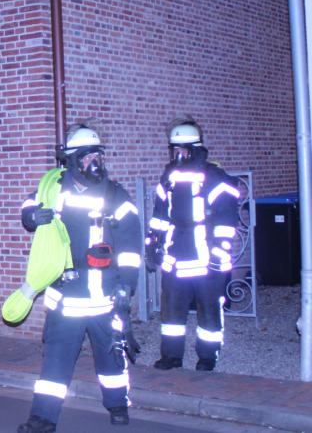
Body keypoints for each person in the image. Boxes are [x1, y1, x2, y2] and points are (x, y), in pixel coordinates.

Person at [17, 123, 142, 433]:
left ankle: (117, 405)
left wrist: (127, 285)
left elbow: (130, 245)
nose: (94, 162)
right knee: (55, 364)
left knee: (111, 356)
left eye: (98, 155)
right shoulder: (53, 189)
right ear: (72, 161)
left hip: (104, 296)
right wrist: (32, 216)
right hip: (66, 299)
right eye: (87, 157)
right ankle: (42, 421)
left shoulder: (116, 194)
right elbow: (28, 206)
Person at [146, 118, 241, 372]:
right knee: (172, 313)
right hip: (175, 260)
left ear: (194, 149)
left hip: (207, 261)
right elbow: (159, 216)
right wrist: (153, 243)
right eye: (173, 150)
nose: (177, 155)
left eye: (181, 150)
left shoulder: (215, 177)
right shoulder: (168, 178)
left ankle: (208, 358)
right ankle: (171, 356)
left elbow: (225, 221)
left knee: (209, 312)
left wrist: (220, 254)